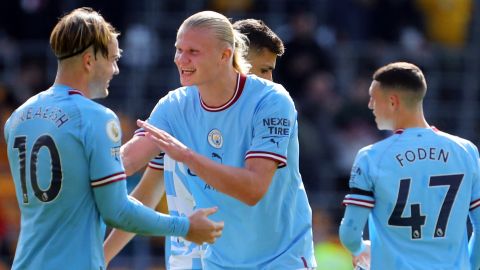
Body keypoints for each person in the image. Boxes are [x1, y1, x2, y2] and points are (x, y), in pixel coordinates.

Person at [3, 7, 223, 270]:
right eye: (112, 58)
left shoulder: (18, 117)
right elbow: (117, 211)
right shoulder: (96, 117)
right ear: (88, 61)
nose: (116, 69)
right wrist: (185, 227)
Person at [107, 10, 316, 269]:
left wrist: (188, 157)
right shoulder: (173, 106)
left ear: (225, 55)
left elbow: (252, 190)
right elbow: (125, 163)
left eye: (193, 51)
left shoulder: (272, 100)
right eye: (178, 49)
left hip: (281, 259)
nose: (181, 59)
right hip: (214, 261)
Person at [339, 62, 480, 269]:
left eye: (373, 98)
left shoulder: (371, 157)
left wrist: (360, 249)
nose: (369, 105)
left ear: (393, 102)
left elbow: (350, 233)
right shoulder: (466, 151)